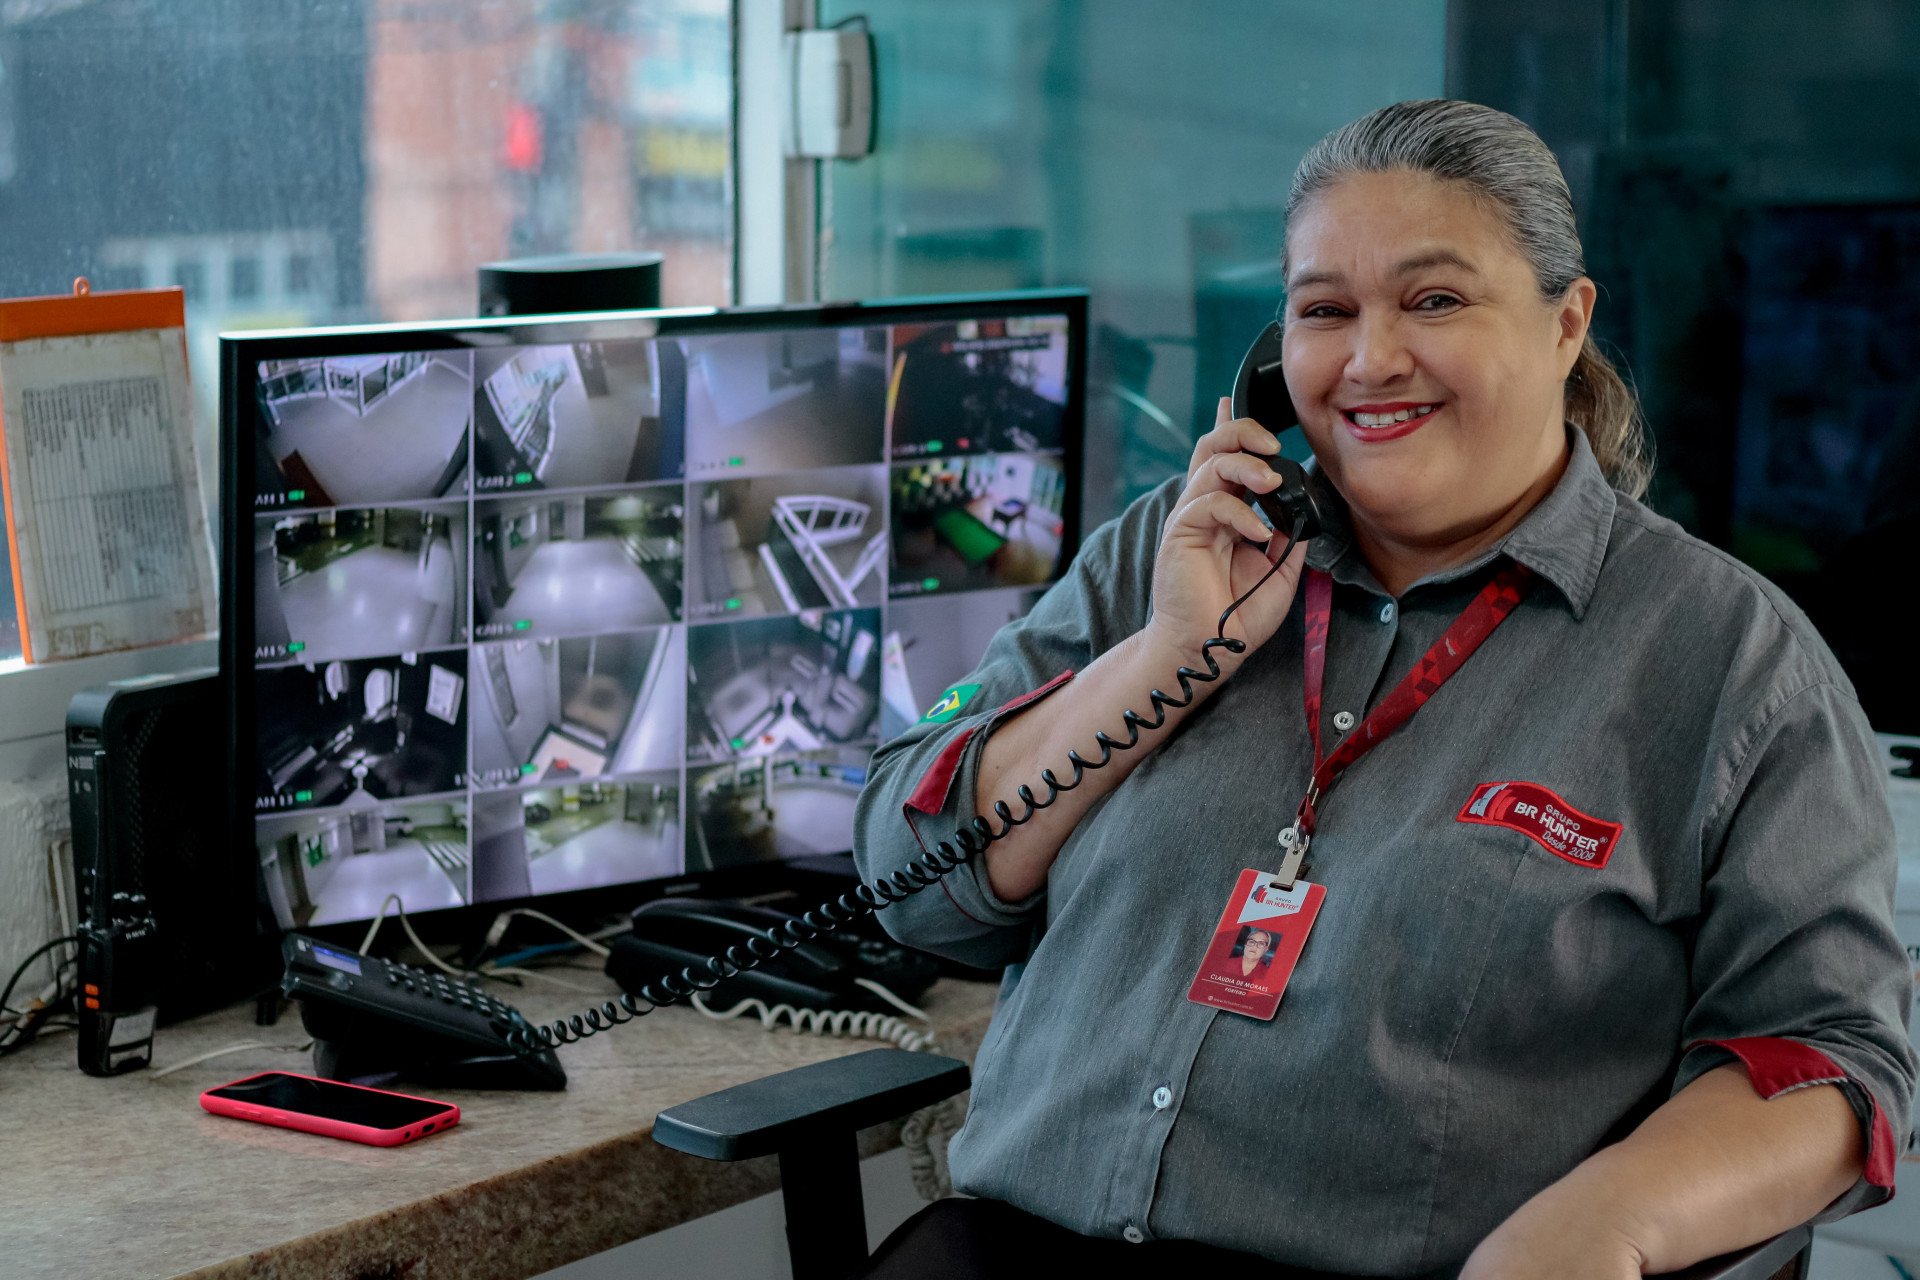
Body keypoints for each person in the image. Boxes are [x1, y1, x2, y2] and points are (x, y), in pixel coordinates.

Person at [852, 100, 1916, 1279]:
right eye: (1324, 311)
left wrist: (1606, 1223)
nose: (1369, 360)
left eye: (1435, 300)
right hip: (1014, 1249)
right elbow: (916, 888)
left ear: (1567, 324)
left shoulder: (1728, 660)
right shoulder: (1178, 549)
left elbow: (1832, 1057)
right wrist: (1167, 653)